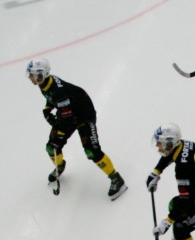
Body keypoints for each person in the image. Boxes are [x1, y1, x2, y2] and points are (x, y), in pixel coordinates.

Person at [26, 58, 127, 200]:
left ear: (41, 74)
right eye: (29, 75)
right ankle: (59, 166)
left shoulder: (57, 90)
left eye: (32, 75)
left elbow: (67, 119)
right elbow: (52, 100)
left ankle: (117, 179)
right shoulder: (44, 83)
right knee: (51, 147)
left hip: (84, 115)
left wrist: (59, 133)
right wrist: (47, 109)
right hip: (69, 113)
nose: (30, 78)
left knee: (91, 150)